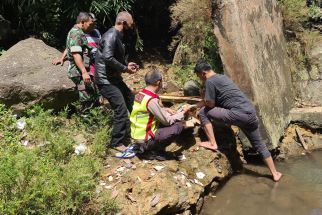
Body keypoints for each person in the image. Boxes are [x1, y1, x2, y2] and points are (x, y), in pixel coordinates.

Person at [193, 59, 282, 182]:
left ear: (203, 73)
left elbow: (210, 105)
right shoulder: (222, 78)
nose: (200, 79)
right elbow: (226, 98)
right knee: (260, 145)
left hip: (238, 114)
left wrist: (202, 99)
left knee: (203, 112)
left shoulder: (210, 82)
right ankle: (275, 173)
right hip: (250, 114)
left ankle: (212, 143)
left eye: (199, 76)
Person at [95, 11, 138, 150]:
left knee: (131, 100)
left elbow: (114, 57)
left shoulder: (118, 36)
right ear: (124, 23)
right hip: (105, 80)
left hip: (114, 78)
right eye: (130, 24)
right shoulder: (111, 35)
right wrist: (125, 69)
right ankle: (116, 142)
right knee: (120, 108)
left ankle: (137, 130)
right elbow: (107, 58)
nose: (132, 26)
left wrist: (127, 65)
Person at [126, 69, 190, 158]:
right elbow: (167, 121)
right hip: (145, 140)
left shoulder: (141, 94)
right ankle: (154, 150)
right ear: (158, 82)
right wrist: (182, 112)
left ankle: (148, 147)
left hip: (137, 135)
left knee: (170, 119)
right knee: (178, 126)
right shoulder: (151, 100)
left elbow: (146, 110)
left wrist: (165, 109)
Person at [53, 12, 99, 113]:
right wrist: (84, 72)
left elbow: (73, 46)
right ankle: (87, 120)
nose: (92, 27)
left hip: (84, 69)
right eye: (90, 24)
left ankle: (93, 118)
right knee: (86, 97)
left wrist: (62, 57)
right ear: (82, 22)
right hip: (78, 72)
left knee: (93, 94)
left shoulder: (79, 32)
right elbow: (76, 54)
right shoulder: (76, 33)